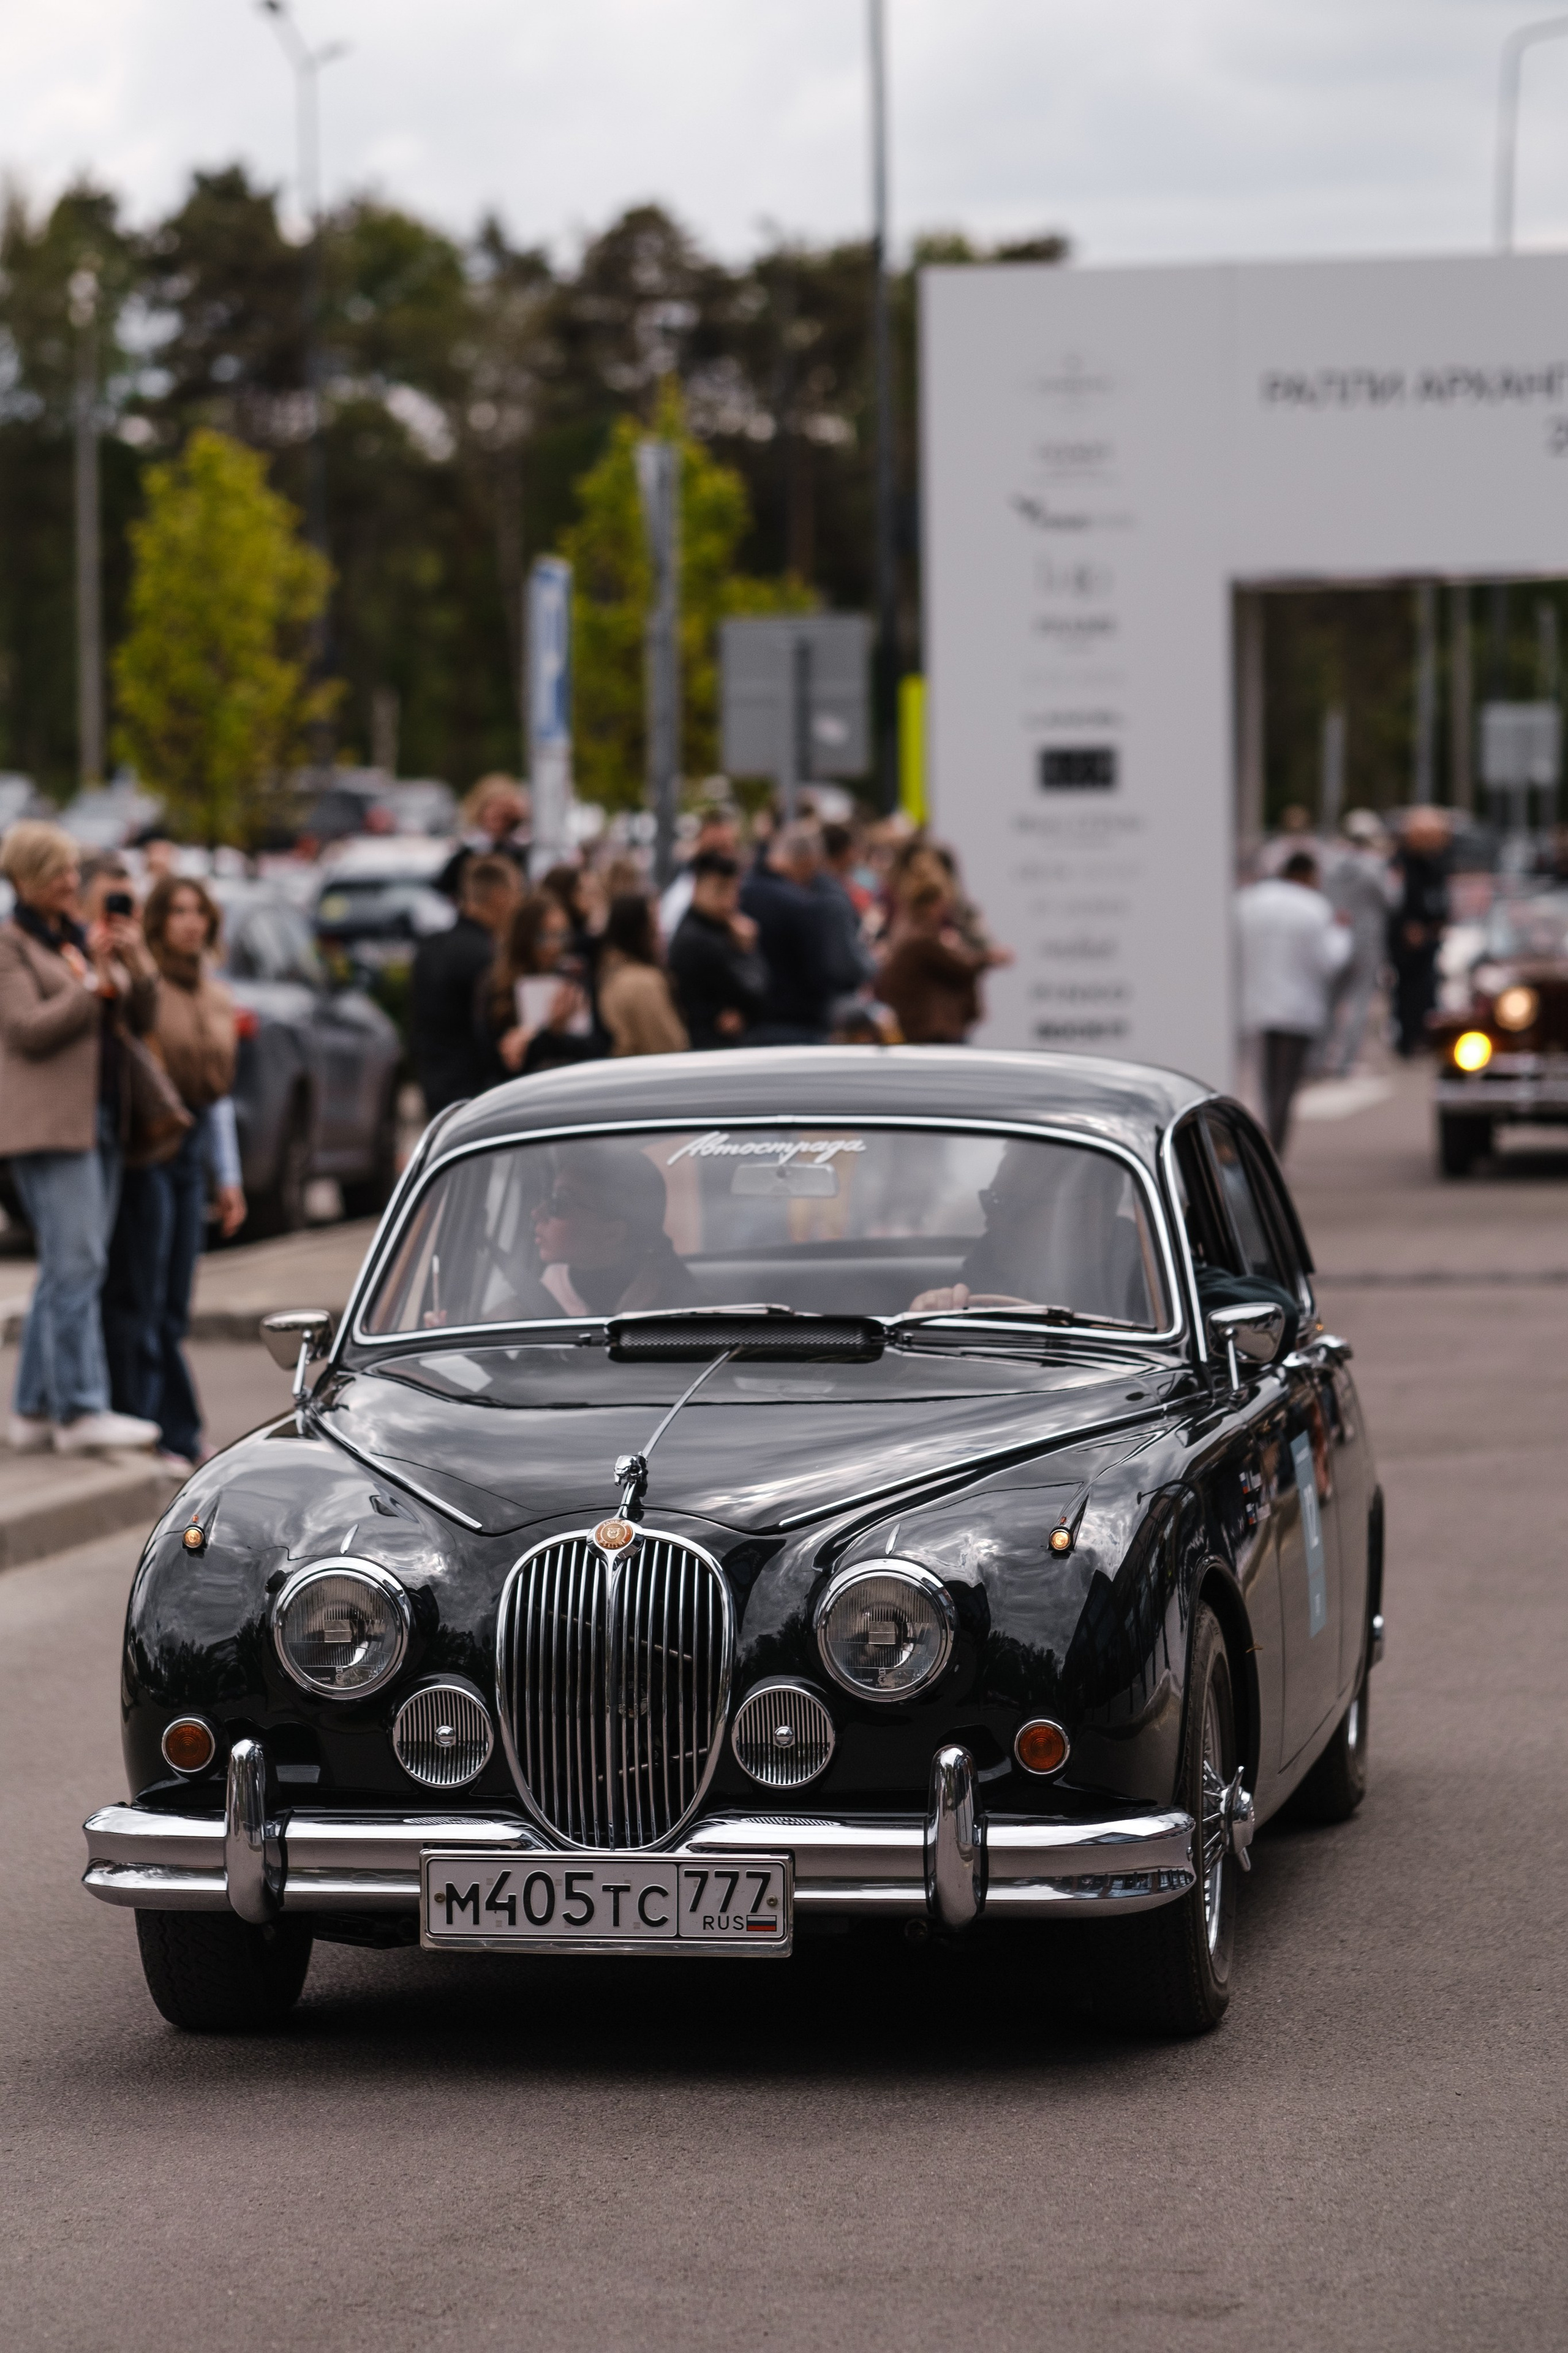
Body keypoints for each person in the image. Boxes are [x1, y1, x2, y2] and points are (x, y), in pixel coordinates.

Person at [0, 821, 161, 1453]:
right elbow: (26, 1028)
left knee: (65, 1267)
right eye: (61, 871)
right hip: (50, 1126)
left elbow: (140, 1018)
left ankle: (36, 1406)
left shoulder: (73, 939)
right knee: (80, 1262)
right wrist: (92, 986)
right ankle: (80, 1409)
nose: (74, 881)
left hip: (103, 1118)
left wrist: (131, 960)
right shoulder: (11, 944)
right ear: (30, 877)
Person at [102, 876, 246, 1471]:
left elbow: (215, 1099)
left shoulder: (215, 994)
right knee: (145, 1296)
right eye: (177, 912)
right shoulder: (149, 986)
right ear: (159, 921)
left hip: (191, 1153)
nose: (190, 922)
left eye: (199, 912)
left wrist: (228, 1176)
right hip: (150, 1147)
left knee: (175, 1303)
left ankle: (176, 1430)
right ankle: (157, 1426)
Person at [1236, 849, 1353, 1152]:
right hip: (1298, 1009)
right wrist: (1343, 932)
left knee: (1262, 1083)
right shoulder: (1313, 907)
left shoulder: (1249, 901)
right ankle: (1274, 1151)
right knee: (1285, 1087)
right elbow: (1330, 961)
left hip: (1254, 1006)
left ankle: (1259, 1148)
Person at [532, 1144, 702, 1316]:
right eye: (549, 1196)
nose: (537, 1212)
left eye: (559, 1203)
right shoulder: (534, 1297)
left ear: (613, 1233)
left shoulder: (682, 1313)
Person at [409, 854, 520, 1116]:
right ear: (499, 896)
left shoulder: (430, 948)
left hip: (433, 1089)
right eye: (516, 894)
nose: (518, 904)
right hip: (477, 1097)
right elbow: (490, 1035)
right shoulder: (488, 957)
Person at [484, 891, 601, 1079]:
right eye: (544, 937)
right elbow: (500, 1064)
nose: (555, 946)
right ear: (525, 939)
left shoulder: (576, 978)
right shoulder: (498, 987)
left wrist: (547, 1036)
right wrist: (548, 1035)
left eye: (562, 936)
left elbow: (597, 1048)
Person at [740, 822, 837, 1043]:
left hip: (752, 1024)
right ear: (806, 862)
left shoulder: (742, 894)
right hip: (798, 1024)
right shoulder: (801, 905)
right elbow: (818, 972)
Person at [877, 877, 1001, 1044]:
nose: (945, 910)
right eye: (941, 904)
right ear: (931, 906)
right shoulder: (924, 938)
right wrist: (987, 957)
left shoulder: (910, 933)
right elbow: (960, 968)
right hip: (929, 1028)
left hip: (919, 1024)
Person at [1319, 809, 1393, 1078]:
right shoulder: (1374, 866)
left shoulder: (1330, 863)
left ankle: (1319, 1057)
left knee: (1328, 1001)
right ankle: (1346, 1061)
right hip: (1366, 940)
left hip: (1335, 937)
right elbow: (1391, 899)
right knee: (1359, 1002)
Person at [668, 850, 769, 1049]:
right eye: (720, 890)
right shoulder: (699, 940)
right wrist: (748, 951)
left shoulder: (716, 928)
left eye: (734, 890)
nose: (729, 900)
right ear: (697, 887)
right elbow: (756, 993)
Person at [1387, 808, 1450, 1056]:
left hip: (1429, 936)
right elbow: (1396, 900)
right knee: (1407, 991)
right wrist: (1407, 926)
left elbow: (1439, 896)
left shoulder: (1435, 862)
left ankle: (1424, 1036)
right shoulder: (1401, 864)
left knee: (1428, 990)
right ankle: (1407, 1039)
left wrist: (1438, 922)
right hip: (1407, 940)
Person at [595, 893, 690, 1057]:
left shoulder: (609, 970)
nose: (660, 932)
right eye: (654, 924)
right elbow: (671, 1046)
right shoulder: (643, 983)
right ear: (637, 930)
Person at [434, 776, 532, 902]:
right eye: (495, 809)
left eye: (506, 812)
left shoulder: (519, 851)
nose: (501, 817)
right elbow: (442, 890)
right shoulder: (468, 852)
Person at [658, 806, 741, 940]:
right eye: (715, 849)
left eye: (726, 848)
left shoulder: (741, 883)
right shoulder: (684, 885)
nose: (721, 858)